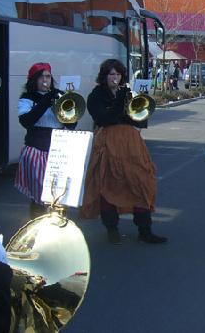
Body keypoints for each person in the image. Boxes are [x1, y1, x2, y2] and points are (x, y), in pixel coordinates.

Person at [80, 59, 167, 245]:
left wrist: (136, 102)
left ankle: (145, 230)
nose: (115, 78)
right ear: (104, 76)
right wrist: (119, 103)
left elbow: (140, 120)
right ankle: (112, 229)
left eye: (118, 74)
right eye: (111, 74)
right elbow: (103, 119)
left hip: (131, 143)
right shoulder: (95, 95)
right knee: (108, 184)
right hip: (108, 142)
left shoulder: (128, 93)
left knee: (142, 181)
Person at [15, 63, 71, 219]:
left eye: (47, 76)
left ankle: (58, 229)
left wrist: (63, 105)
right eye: (41, 76)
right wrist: (45, 101)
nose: (45, 80)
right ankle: (36, 230)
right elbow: (26, 121)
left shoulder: (59, 96)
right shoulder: (27, 98)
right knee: (40, 196)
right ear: (33, 80)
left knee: (59, 194)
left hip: (59, 150)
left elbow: (71, 124)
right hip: (36, 149)